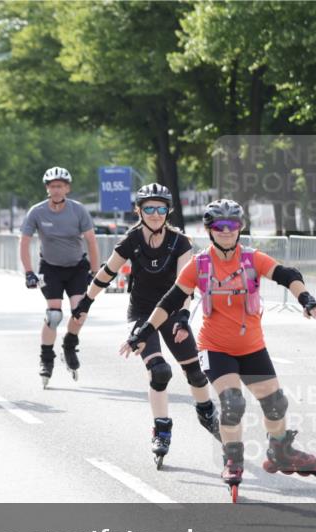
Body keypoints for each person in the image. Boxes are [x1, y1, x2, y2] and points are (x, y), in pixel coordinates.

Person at [121, 199, 316, 502]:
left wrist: (306, 298)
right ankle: (232, 459)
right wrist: (143, 332)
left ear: (240, 229)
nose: (227, 231)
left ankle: (280, 449)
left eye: (233, 226)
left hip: (252, 347)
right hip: (215, 348)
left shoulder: (252, 259)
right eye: (220, 226)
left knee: (275, 405)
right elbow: (169, 301)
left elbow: (287, 274)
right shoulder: (200, 264)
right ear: (210, 230)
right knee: (232, 404)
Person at [72, 183, 220, 468]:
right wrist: (86, 302)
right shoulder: (131, 240)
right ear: (138, 211)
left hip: (173, 312)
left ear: (168, 211)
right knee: (160, 370)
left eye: (160, 208)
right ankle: (162, 429)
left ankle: (205, 411)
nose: (155, 214)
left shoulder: (180, 242)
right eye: (148, 208)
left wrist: (183, 316)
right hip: (142, 313)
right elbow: (107, 273)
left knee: (195, 373)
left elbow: (185, 285)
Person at [20, 166, 100, 385]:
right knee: (54, 315)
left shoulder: (78, 210)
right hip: (50, 268)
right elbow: (24, 242)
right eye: (53, 186)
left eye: (60, 186)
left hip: (77, 267)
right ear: (47, 189)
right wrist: (28, 272)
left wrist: (95, 271)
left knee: (79, 312)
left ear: (67, 188)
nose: (56, 190)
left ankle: (69, 344)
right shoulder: (37, 212)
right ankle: (46, 358)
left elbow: (91, 241)